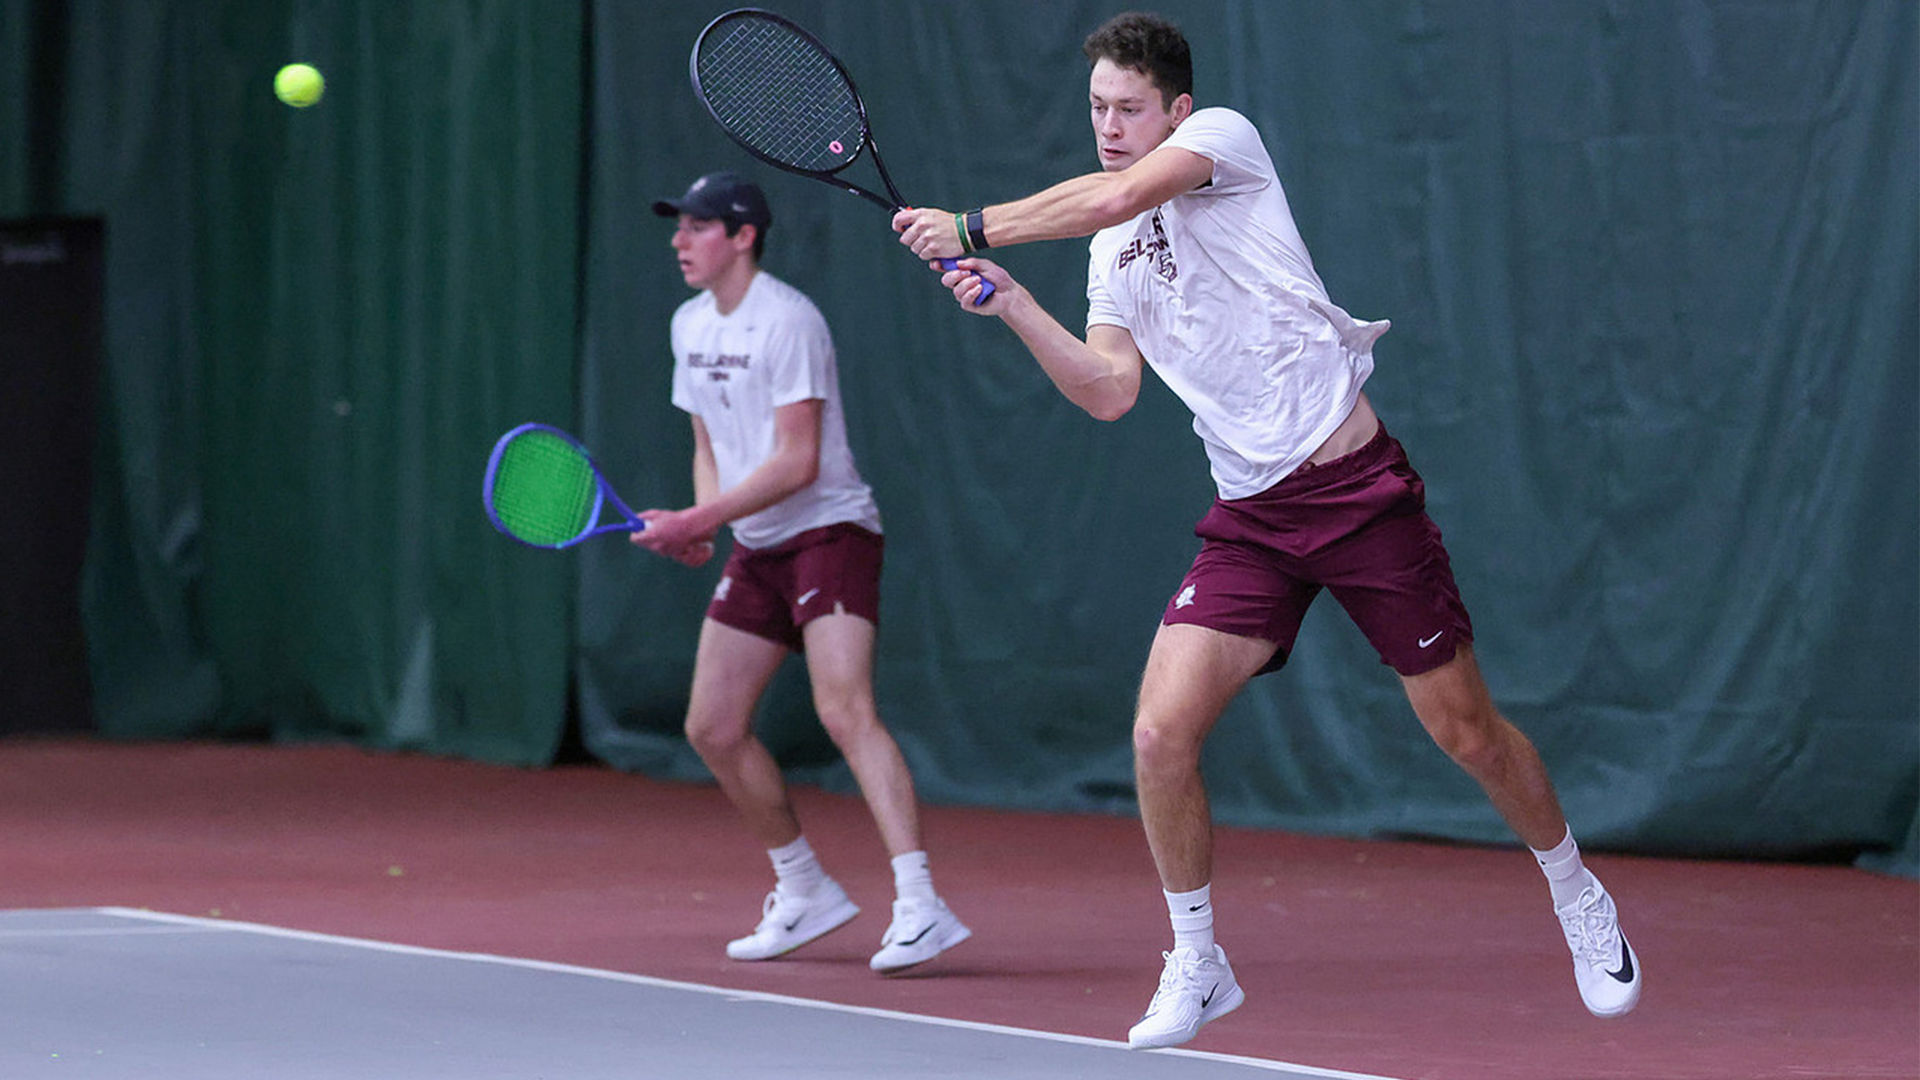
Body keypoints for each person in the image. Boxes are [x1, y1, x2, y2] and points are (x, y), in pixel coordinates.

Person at [894, 12, 1639, 1049]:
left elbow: (1112, 191)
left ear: (1177, 112)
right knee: (1159, 735)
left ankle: (1575, 891)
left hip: (1356, 493)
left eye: (1128, 108)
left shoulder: (1225, 147)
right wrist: (1015, 303)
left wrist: (972, 227)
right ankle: (1198, 962)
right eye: (1098, 108)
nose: (1109, 126)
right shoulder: (1110, 251)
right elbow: (1110, 391)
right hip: (1251, 521)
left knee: (1463, 730)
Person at [635, 171, 970, 973]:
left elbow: (797, 460)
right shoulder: (687, 325)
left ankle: (922, 903)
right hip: (756, 545)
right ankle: (803, 888)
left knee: (844, 707)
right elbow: (709, 444)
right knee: (711, 727)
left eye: (697, 227)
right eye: (677, 227)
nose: (680, 241)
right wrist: (703, 524)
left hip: (830, 531)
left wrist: (697, 520)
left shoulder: (789, 321)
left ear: (743, 235)